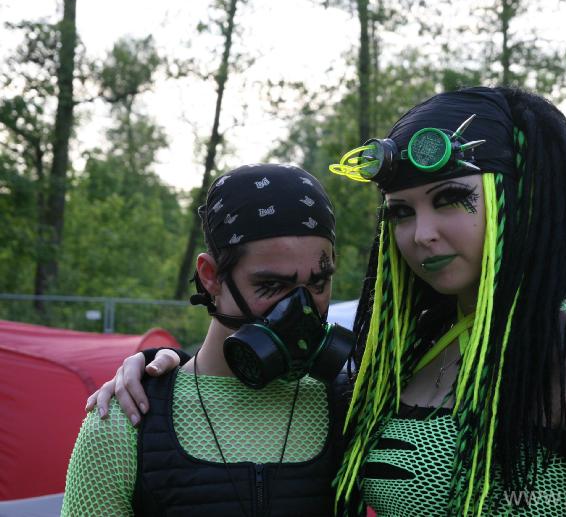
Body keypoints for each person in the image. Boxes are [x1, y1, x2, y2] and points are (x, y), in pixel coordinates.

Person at [92, 87, 566, 516]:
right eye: (401, 212)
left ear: (514, 202)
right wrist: (162, 369)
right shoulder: (404, 352)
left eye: (450, 199)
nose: (421, 234)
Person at [63, 163, 356, 516]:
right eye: (271, 285)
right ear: (210, 276)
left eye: (318, 283)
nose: (301, 308)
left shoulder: (353, 407)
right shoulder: (125, 421)